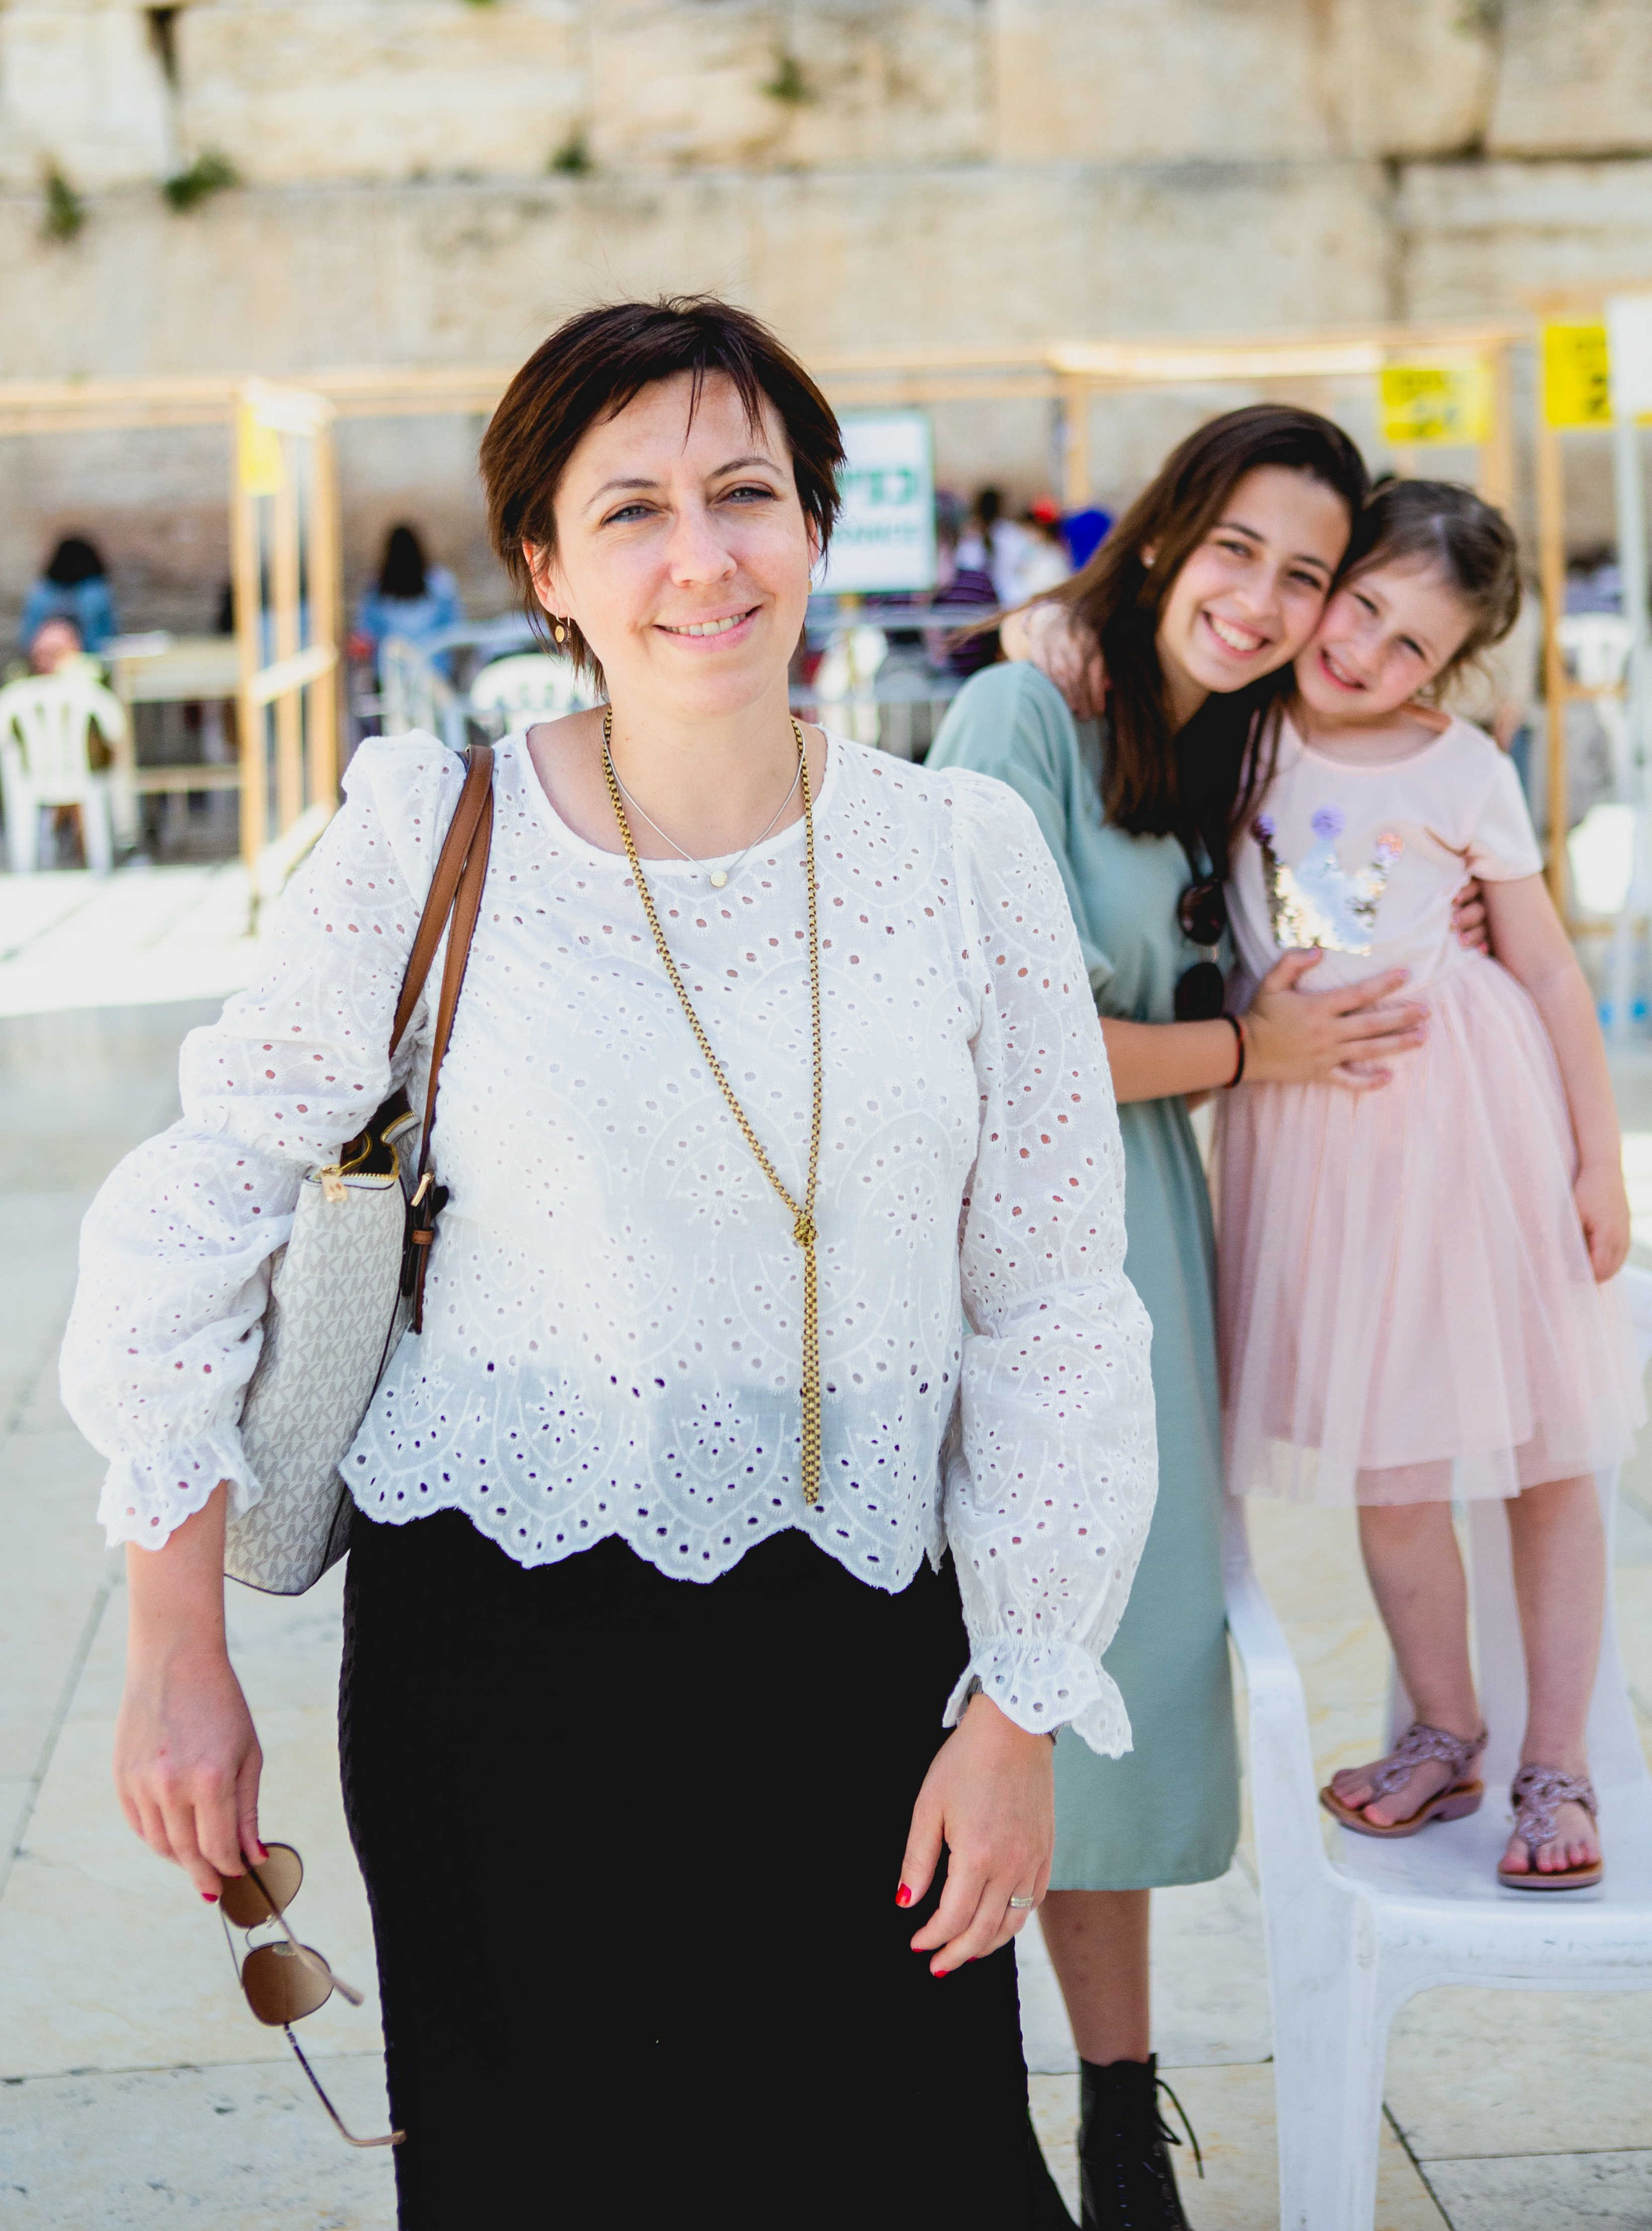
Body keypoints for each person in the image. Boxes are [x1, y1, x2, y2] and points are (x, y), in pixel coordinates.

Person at [59, 297, 1158, 2229]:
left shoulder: (962, 855)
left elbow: (1055, 1306)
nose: (701, 555)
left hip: (865, 1656)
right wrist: (175, 1650)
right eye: (631, 508)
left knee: (918, 2173)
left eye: (745, 493)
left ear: (818, 525)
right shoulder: (433, 834)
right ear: (549, 567)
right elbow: (199, 1199)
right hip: (500, 1672)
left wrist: (1018, 1713)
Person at [927, 405, 1446, 2230]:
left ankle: (1122, 2120)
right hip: (1003, 1253)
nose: (1261, 598)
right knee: (989, 1673)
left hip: (1150, 1242)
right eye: (1236, 547)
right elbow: (1009, 1045)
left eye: (1303, 576)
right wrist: (1252, 1046)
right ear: (1161, 536)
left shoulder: (1229, 740)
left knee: (1116, 1675)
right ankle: (966, 2120)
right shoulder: (1024, 717)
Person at [1219, 480, 1642, 1890]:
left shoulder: (1463, 766)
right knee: (1388, 1460)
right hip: (1327, 1144)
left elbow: (1541, 965)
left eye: (1411, 645)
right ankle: (1442, 1727)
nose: (1366, 654)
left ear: (1447, 670)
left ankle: (1555, 1758)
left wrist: (1595, 1159)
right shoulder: (1242, 728)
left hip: (1476, 1124)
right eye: (1360, 610)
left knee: (1543, 1450)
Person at [353, 523, 462, 661]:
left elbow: (366, 634)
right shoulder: (442, 584)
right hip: (434, 670)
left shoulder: (375, 590)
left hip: (392, 672)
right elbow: (454, 629)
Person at [21, 533, 117, 654]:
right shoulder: (96, 593)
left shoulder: (41, 593)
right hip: (88, 661)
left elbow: (27, 638)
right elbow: (104, 639)